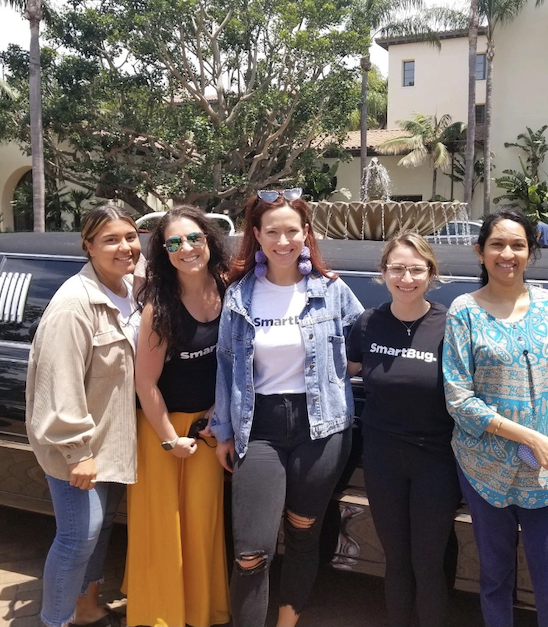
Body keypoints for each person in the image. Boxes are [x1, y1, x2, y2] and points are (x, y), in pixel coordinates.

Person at [210, 187, 364, 627]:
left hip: (323, 429)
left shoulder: (331, 290)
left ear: (306, 234)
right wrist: (223, 430)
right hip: (259, 427)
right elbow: (225, 365)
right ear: (256, 235)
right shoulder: (239, 295)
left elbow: (365, 341)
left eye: (291, 231)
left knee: (302, 534)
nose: (283, 241)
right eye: (272, 231)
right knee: (251, 549)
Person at [441, 208, 548, 627]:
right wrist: (532, 439)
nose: (506, 253)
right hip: (484, 467)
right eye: (497, 244)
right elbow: (459, 399)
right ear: (480, 252)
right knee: (495, 577)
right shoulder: (464, 311)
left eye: (517, 244)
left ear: (531, 252)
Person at [26, 205, 141, 627]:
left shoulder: (129, 286)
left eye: (130, 236)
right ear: (87, 246)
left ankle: (87, 607)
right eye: (110, 239)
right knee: (78, 537)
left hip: (114, 438)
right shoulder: (75, 305)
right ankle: (53, 621)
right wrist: (77, 451)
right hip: (80, 447)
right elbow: (59, 383)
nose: (124, 247)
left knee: (102, 526)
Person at [124, 205, 231, 627]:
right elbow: (144, 383)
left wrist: (216, 418)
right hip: (160, 429)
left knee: (203, 523)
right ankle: (161, 617)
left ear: (209, 241)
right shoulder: (159, 306)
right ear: (164, 253)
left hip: (208, 427)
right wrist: (170, 438)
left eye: (194, 238)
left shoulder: (229, 289)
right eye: (173, 243)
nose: (186, 248)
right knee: (162, 527)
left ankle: (200, 613)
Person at [346, 232, 460, 627]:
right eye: (397, 268)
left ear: (431, 273)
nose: (406, 278)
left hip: (436, 461)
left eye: (416, 269)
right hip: (382, 459)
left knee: (427, 563)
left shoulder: (451, 325)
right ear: (383, 273)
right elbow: (341, 372)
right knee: (395, 561)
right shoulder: (367, 324)